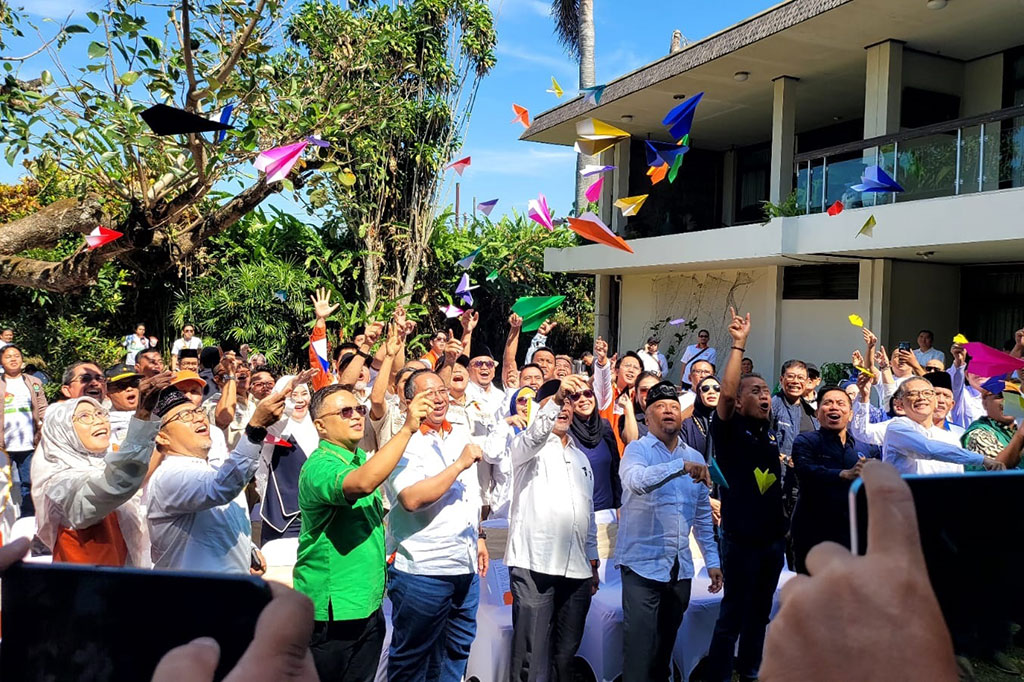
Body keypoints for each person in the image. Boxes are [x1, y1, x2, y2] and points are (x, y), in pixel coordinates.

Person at [759, 461, 958, 681]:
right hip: (811, 531)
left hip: (848, 534)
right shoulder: (808, 444)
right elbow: (807, 470)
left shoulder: (855, 453)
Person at [293, 382, 431, 681]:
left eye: (360, 409)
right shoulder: (320, 466)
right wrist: (406, 429)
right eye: (345, 412)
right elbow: (362, 484)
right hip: (332, 612)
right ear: (320, 426)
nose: (356, 416)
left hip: (366, 604)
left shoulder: (356, 459)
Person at [698, 308, 785, 682]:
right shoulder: (729, 430)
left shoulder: (768, 433)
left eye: (767, 391)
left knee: (760, 615)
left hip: (771, 544)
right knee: (733, 615)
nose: (764, 397)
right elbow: (728, 394)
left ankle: (749, 672)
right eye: (757, 391)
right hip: (740, 542)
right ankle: (719, 674)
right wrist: (738, 345)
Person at [385, 369, 486, 682]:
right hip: (423, 571)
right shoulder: (402, 443)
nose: (439, 398)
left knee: (455, 653)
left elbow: (471, 494)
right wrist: (457, 465)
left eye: (442, 391)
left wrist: (479, 536)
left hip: (465, 566)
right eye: (429, 394)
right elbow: (412, 499)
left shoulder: (458, 434)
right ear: (409, 401)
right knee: (413, 660)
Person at [617, 380, 722, 682]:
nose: (668, 412)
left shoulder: (696, 457)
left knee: (664, 653)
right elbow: (636, 481)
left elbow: (703, 515)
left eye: (674, 407)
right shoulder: (637, 450)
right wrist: (678, 467)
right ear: (646, 417)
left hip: (680, 571)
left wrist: (712, 561)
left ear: (682, 415)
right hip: (641, 567)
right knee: (639, 655)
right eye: (660, 407)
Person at [506, 375, 600, 681]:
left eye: (568, 402)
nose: (564, 407)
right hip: (535, 565)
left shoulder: (581, 457)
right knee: (529, 658)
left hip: (578, 570)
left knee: (565, 656)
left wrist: (593, 559)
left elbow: (588, 514)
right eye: (557, 402)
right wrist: (557, 397)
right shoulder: (525, 448)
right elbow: (534, 436)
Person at [31, 372, 171, 566]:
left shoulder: (103, 464)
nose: (98, 420)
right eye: (84, 416)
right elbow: (117, 483)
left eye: (99, 413)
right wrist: (143, 416)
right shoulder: (60, 485)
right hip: (83, 590)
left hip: (118, 584)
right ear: (63, 433)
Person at [146, 384, 285, 573]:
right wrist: (256, 428)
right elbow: (222, 486)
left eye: (198, 411)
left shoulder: (212, 469)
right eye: (185, 416)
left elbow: (220, 519)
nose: (197, 418)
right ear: (162, 437)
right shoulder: (170, 475)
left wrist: (247, 550)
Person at [790, 386, 880, 574]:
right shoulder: (805, 441)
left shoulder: (866, 448)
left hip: (853, 533)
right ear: (817, 412)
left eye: (841, 404)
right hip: (814, 531)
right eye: (828, 403)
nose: (834, 408)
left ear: (851, 414)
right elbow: (805, 470)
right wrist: (842, 474)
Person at [882, 376, 1003, 475]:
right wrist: (983, 460)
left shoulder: (951, 439)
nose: (921, 397)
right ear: (900, 404)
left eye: (927, 393)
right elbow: (928, 449)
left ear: (935, 402)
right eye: (912, 394)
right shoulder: (897, 428)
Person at [256, 375, 318, 544]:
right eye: (293, 395)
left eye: (304, 393)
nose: (299, 400)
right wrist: (286, 394)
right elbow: (276, 421)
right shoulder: (276, 429)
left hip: (318, 516)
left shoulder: (318, 427)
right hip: (285, 521)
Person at [0, 344, 47, 516]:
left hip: (28, 443)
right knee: (2, 484)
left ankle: (28, 520)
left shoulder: (33, 382)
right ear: (1, 361)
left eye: (17, 356)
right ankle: (4, 520)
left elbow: (42, 407)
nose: (13, 359)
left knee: (29, 483)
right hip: (3, 445)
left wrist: (44, 427)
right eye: (8, 356)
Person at [567, 379, 621, 512]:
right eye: (575, 396)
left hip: (608, 513)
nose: (583, 399)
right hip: (579, 515)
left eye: (587, 393)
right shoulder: (566, 433)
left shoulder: (605, 426)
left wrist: (620, 504)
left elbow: (615, 470)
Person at [593, 337, 642, 452]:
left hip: (634, 459)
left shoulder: (641, 398)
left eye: (636, 368)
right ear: (616, 370)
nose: (631, 370)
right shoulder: (608, 394)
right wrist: (602, 361)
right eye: (627, 366)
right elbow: (601, 383)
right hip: (608, 455)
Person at [961, 388, 1024, 469]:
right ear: (985, 402)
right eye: (1000, 396)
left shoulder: (1015, 431)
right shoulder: (977, 433)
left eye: (1013, 397)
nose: (1007, 402)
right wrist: (1020, 435)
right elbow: (997, 468)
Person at [204, 357, 255, 450]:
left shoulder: (255, 402)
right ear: (218, 380)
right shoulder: (212, 403)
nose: (241, 370)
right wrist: (231, 375)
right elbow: (224, 419)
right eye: (233, 368)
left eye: (243, 365)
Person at [680, 375, 720, 460]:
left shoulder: (731, 422)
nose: (711, 392)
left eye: (717, 388)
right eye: (705, 388)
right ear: (699, 394)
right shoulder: (687, 425)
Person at [104, 363, 143, 444]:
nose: (129, 389)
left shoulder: (157, 415)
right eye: (122, 385)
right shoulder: (103, 424)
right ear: (108, 394)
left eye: (134, 383)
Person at [619, 371, 660, 445]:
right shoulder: (628, 420)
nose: (649, 394)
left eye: (655, 390)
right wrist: (629, 408)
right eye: (644, 390)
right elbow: (631, 441)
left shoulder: (670, 417)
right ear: (636, 394)